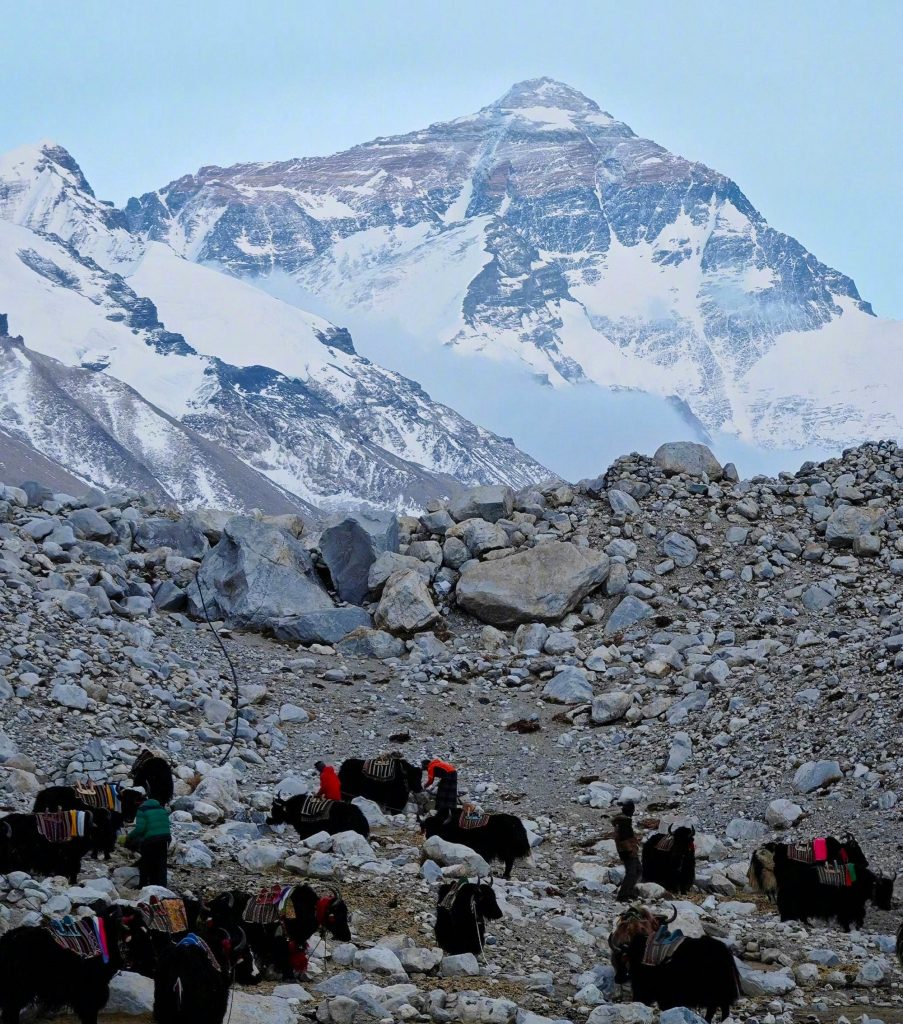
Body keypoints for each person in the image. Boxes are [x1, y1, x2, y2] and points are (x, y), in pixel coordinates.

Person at [126, 793, 172, 887]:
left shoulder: (142, 809)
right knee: (162, 864)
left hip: (151, 840)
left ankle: (143, 885)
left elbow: (140, 829)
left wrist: (129, 837)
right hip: (165, 838)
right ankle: (162, 886)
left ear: (139, 802)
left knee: (146, 863)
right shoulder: (161, 808)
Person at [612, 800, 641, 902]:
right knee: (632, 872)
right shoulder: (624, 822)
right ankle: (623, 894)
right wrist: (630, 850)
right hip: (628, 852)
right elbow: (624, 839)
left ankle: (630, 892)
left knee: (637, 870)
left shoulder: (622, 821)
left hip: (626, 851)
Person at [422, 757, 457, 825]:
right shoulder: (436, 763)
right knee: (451, 792)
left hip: (448, 775)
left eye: (423, 767)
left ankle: (440, 810)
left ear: (426, 765)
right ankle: (451, 808)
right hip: (453, 773)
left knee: (441, 793)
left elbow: (431, 780)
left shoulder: (431, 766)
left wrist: (425, 786)